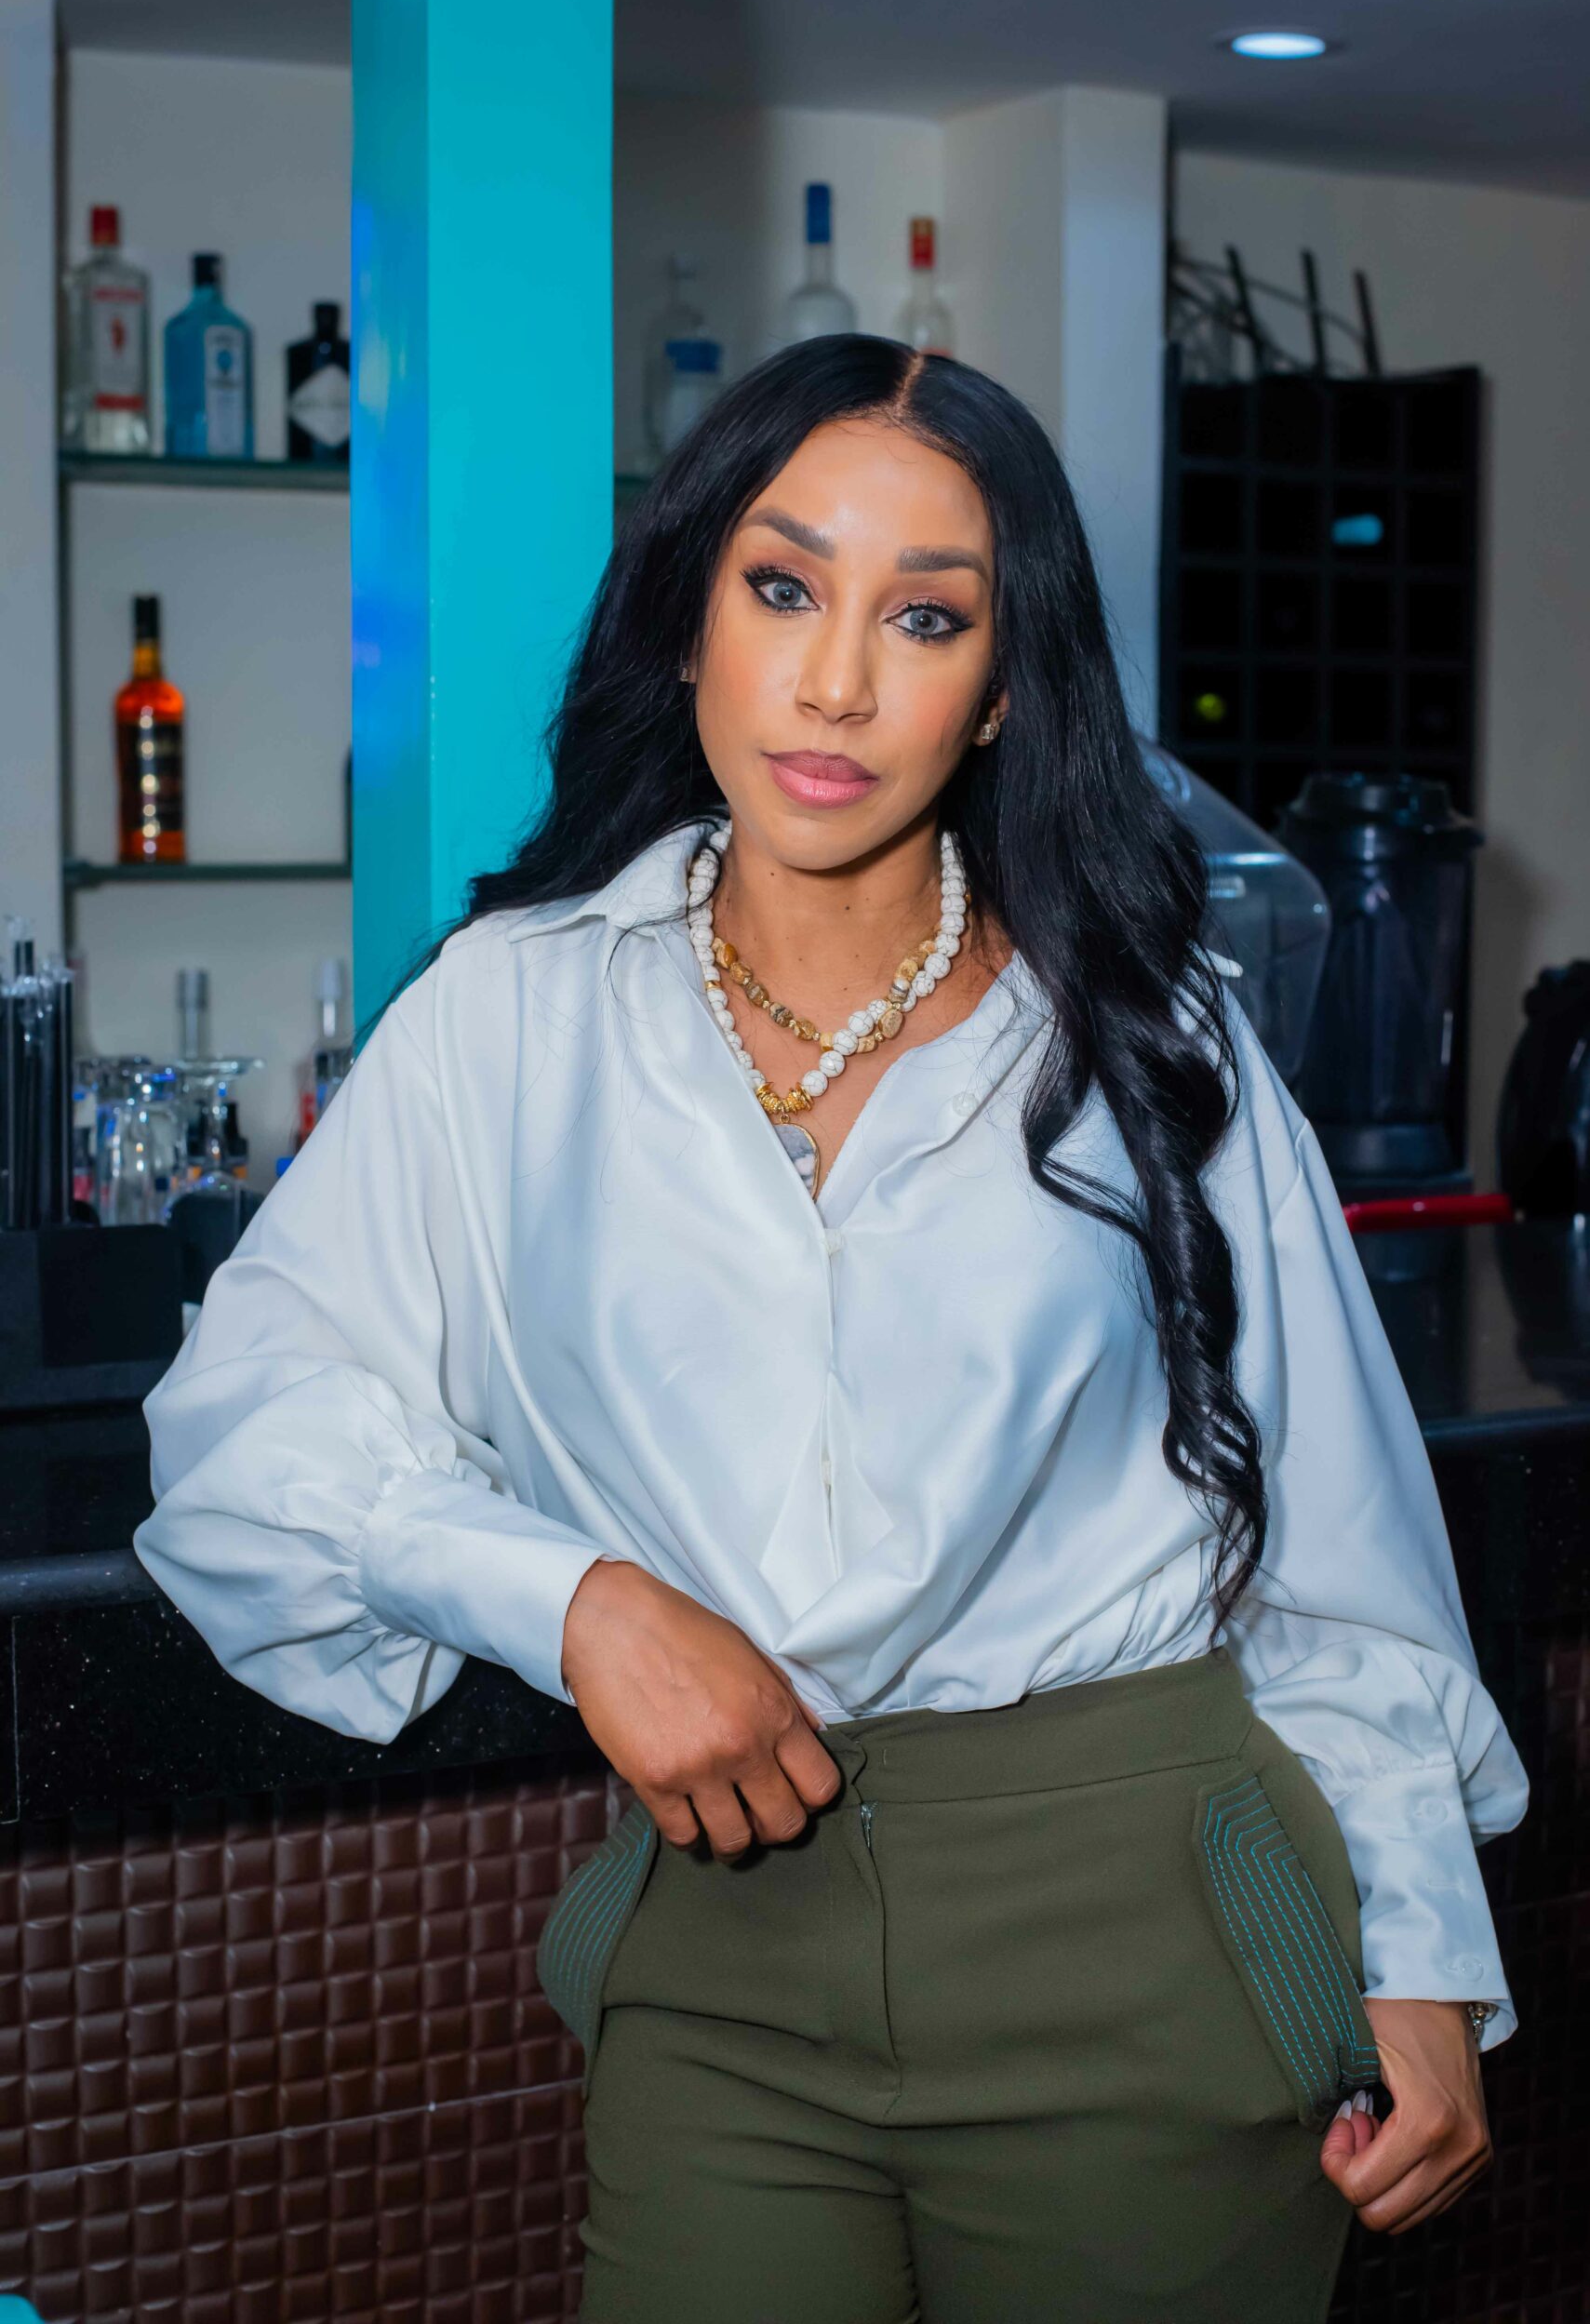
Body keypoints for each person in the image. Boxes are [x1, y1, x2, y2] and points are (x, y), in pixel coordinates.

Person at [133, 335, 1528, 2323]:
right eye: (783, 587)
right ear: (687, 613)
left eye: (927, 615)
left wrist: (1421, 1953)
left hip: (1144, 1926)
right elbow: (239, 1434)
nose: (839, 681)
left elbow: (1329, 1553)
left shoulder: (1157, 1038)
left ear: (1005, 685)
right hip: (724, 1957)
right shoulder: (505, 1020)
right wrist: (577, 1601)